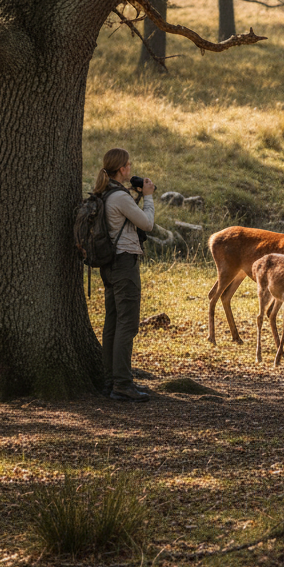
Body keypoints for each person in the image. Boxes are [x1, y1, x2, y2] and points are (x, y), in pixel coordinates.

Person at [93, 148, 156, 401]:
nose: (131, 169)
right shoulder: (119, 197)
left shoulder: (106, 193)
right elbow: (147, 224)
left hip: (109, 265)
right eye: (128, 165)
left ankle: (110, 381)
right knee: (127, 325)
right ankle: (122, 384)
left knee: (113, 323)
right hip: (124, 265)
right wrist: (148, 198)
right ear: (122, 169)